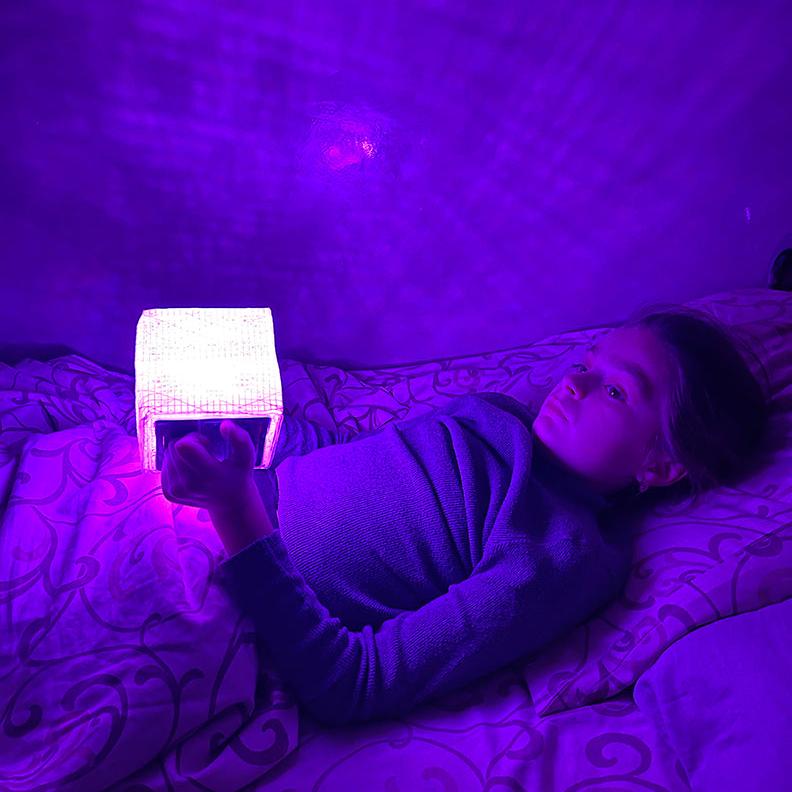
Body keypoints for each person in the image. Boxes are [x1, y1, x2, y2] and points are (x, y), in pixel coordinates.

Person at [161, 304, 770, 727]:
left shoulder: (558, 552)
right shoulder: (499, 416)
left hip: (223, 602)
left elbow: (351, 683)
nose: (575, 383)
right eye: (588, 362)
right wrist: (240, 439)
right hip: (194, 509)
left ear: (660, 465)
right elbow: (352, 458)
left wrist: (234, 508)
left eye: (616, 391)